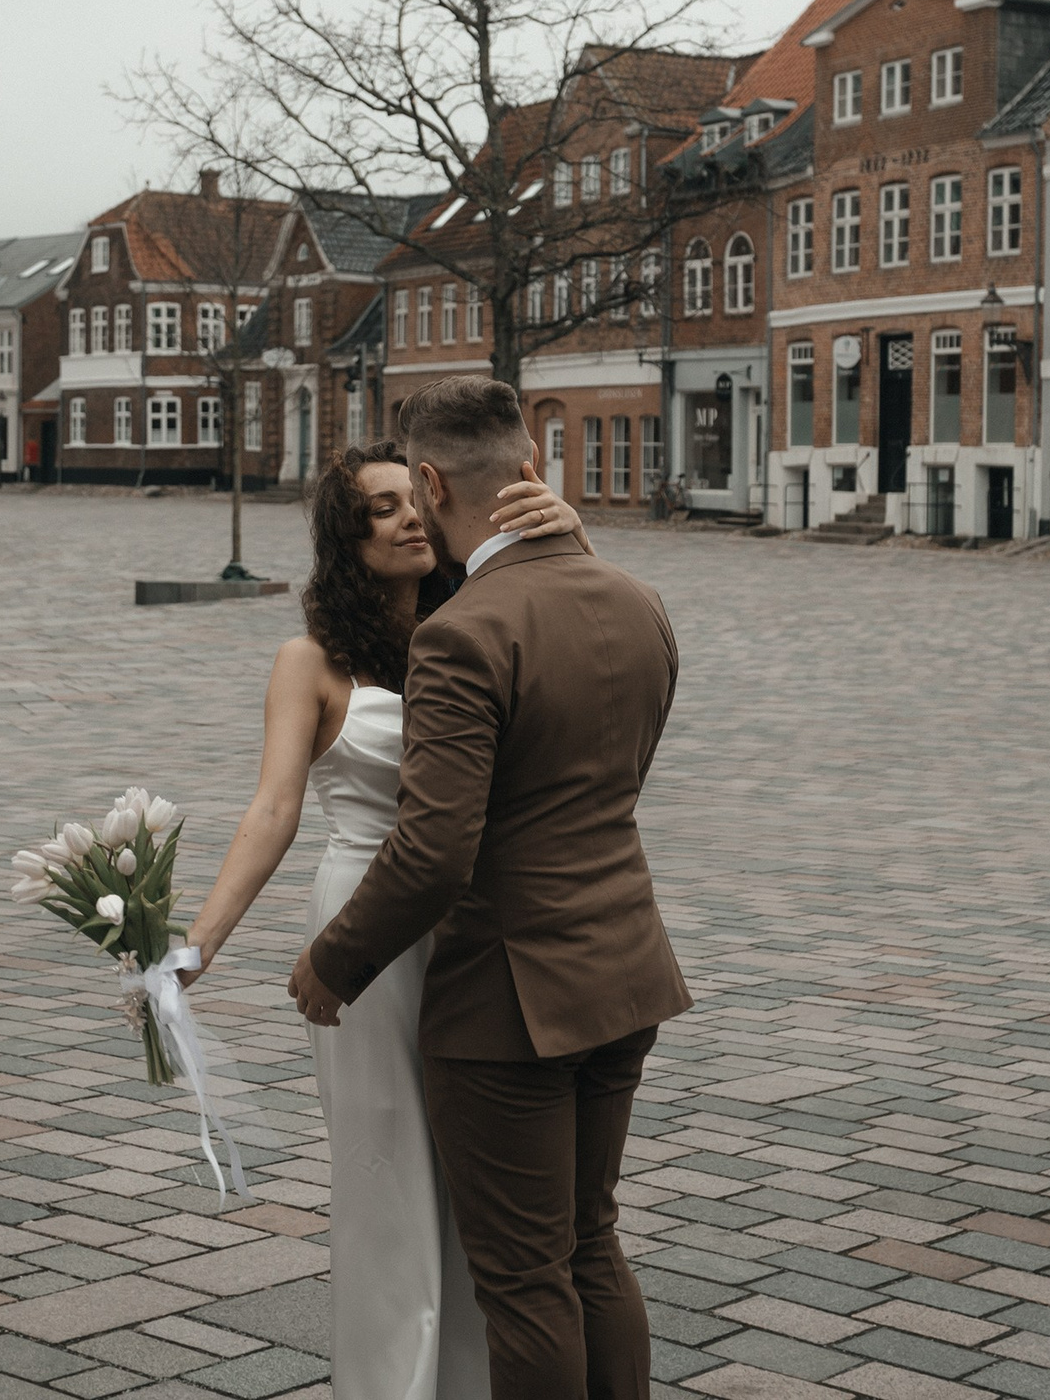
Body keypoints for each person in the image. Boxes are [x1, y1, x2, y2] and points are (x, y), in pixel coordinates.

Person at [292, 376, 691, 1400]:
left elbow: (434, 853)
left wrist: (332, 961)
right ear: (532, 468)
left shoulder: (463, 633)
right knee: (589, 1244)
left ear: (428, 483)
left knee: (521, 1282)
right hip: (628, 970)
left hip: (510, 1000)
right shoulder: (636, 601)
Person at [180, 439, 589, 1400]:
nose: (408, 515)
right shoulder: (310, 660)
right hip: (366, 927)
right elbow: (274, 808)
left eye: (416, 497)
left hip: (480, 929)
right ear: (343, 534)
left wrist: (571, 529)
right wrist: (194, 947)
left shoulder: (482, 620)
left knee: (480, 1177)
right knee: (387, 1169)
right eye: (378, 506)